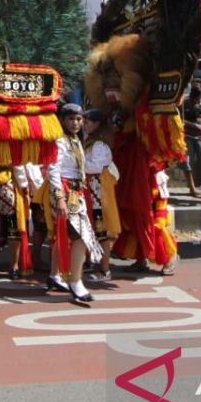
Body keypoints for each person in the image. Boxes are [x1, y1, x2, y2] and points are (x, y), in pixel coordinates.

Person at [43, 103, 101, 304]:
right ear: (62, 120)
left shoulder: (76, 139)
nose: (76, 123)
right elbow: (52, 169)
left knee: (67, 235)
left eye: (79, 119)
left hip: (76, 191)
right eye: (71, 119)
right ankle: (76, 281)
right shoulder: (59, 140)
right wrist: (59, 197)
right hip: (65, 191)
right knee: (80, 237)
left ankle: (54, 274)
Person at [82, 109, 121, 280]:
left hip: (99, 192)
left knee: (102, 231)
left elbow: (95, 167)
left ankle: (105, 269)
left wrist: (77, 162)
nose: (84, 124)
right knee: (92, 229)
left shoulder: (99, 145)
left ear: (97, 124)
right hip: (92, 190)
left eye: (87, 121)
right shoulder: (89, 141)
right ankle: (93, 263)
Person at [180, 81, 201, 198]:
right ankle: (192, 188)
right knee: (186, 162)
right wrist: (194, 126)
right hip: (188, 135)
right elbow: (180, 119)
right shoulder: (185, 102)